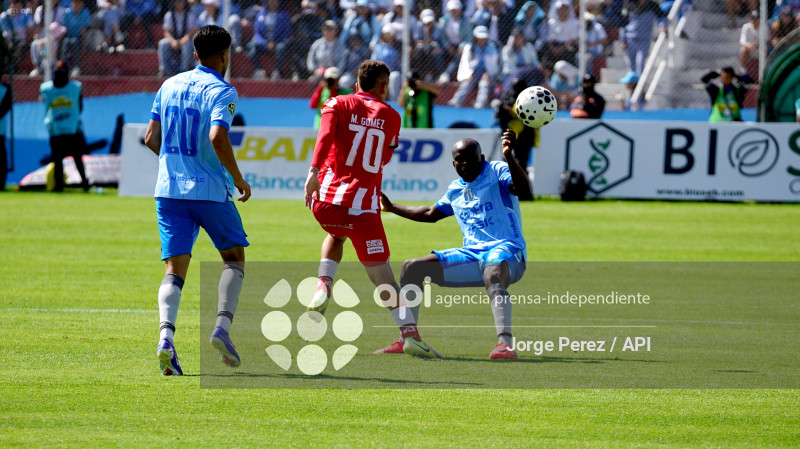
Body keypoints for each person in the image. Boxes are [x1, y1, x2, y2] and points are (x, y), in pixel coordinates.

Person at [303, 59, 441, 359]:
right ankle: (410, 335)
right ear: (382, 86)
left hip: (326, 203)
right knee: (384, 277)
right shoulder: (392, 116)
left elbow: (324, 138)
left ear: (357, 82)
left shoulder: (336, 103)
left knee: (337, 235)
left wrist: (313, 172)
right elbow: (384, 157)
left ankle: (323, 286)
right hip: (364, 207)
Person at [143, 25, 252, 376]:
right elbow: (218, 135)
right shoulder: (222, 90)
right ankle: (221, 328)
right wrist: (237, 178)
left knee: (174, 269)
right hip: (208, 190)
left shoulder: (168, 84)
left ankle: (165, 339)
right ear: (225, 56)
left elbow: (149, 137)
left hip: (169, 190)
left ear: (194, 54)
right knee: (234, 257)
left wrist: (173, 164)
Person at [377, 130, 528, 360]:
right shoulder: (456, 189)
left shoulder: (497, 170)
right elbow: (430, 213)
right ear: (453, 163)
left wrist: (509, 156)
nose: (465, 164)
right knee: (412, 268)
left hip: (509, 250)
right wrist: (392, 208)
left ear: (483, 158)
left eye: (471, 158)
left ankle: (504, 345)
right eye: (460, 159)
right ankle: (407, 337)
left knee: (494, 270)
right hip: (472, 254)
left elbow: (522, 189)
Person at [40, 60, 89, 192]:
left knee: (60, 158)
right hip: (68, 128)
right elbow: (80, 106)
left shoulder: (47, 88)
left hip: (60, 128)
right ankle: (83, 184)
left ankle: (63, 186)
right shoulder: (74, 87)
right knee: (72, 158)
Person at [495, 78, 534, 201]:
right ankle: (511, 190)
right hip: (512, 135)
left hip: (524, 136)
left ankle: (524, 193)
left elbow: (522, 114)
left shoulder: (528, 101)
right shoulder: (510, 99)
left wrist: (509, 110)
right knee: (510, 164)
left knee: (521, 163)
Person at [449, 25, 499, 108]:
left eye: (483, 37)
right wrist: (468, 74)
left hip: (487, 73)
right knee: (466, 84)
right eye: (479, 37)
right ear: (475, 37)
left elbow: (493, 65)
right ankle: (456, 101)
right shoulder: (469, 47)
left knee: (484, 84)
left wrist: (488, 74)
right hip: (473, 72)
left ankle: (479, 104)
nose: (482, 40)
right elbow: (465, 63)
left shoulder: (491, 47)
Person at [619, 0, 667, 75]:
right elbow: (623, 24)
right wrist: (623, 40)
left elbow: (661, 17)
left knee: (640, 62)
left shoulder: (653, 5)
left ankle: (640, 83)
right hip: (630, 38)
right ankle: (634, 83)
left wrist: (662, 25)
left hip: (644, 39)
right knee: (631, 64)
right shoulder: (629, 4)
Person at [247, 0, 291, 79]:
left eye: (275, 1)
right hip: (264, 44)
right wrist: (265, 43)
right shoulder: (260, 15)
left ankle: (276, 71)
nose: (273, 3)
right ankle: (259, 70)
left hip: (278, 43)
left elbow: (287, 33)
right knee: (250, 46)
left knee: (281, 47)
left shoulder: (284, 15)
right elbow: (257, 33)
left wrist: (275, 42)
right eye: (270, 1)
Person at [158, 0, 198, 76]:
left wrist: (185, 39)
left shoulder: (190, 14)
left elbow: (193, 29)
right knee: (162, 43)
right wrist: (173, 41)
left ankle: (183, 69)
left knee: (187, 46)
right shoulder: (169, 15)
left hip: (186, 39)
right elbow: (167, 31)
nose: (179, 3)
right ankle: (163, 70)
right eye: (177, 1)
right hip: (173, 39)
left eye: (181, 1)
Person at [739, 10, 759, 75]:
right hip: (750, 49)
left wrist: (758, 45)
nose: (754, 20)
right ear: (749, 19)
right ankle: (743, 70)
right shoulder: (746, 27)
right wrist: (749, 46)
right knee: (743, 49)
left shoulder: (764, 27)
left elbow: (767, 41)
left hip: (761, 49)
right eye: (752, 18)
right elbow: (742, 41)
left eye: (756, 19)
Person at [0, 78, 10, 191]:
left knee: (1, 158)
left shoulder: (4, 89)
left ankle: (1, 183)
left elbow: (5, 108)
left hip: (0, 131)